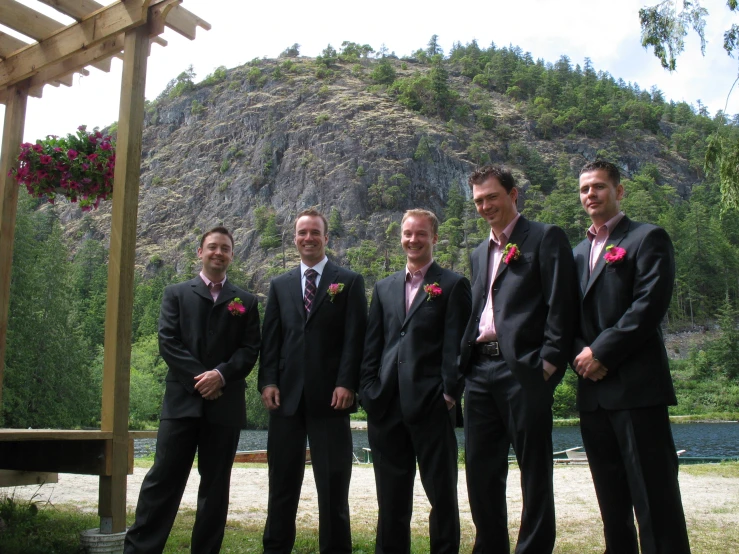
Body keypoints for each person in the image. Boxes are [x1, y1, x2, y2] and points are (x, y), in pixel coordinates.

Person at [573, 160, 691, 554]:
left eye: (600, 187)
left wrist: (601, 352)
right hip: (592, 394)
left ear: (619, 191)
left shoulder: (647, 238)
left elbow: (649, 306)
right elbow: (563, 315)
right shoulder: (575, 255)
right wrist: (581, 355)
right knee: (612, 505)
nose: (592, 194)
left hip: (638, 390)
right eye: (585, 189)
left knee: (655, 500)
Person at [459, 165, 577, 554]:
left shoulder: (545, 238)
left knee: (534, 472)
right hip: (479, 373)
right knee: (480, 472)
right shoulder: (478, 253)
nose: (485, 206)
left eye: (492, 197)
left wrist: (547, 365)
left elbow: (562, 306)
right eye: (478, 200)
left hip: (523, 371)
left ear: (513, 195)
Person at [124, 226, 261, 554]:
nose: (218, 253)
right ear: (199, 252)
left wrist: (222, 376)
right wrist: (204, 379)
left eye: (225, 248)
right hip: (181, 405)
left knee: (215, 488)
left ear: (231, 254)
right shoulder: (176, 293)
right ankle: (140, 549)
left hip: (225, 407)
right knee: (163, 481)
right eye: (212, 247)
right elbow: (168, 342)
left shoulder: (246, 301)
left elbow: (249, 349)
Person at [360, 209, 471, 554]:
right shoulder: (383, 287)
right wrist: (369, 391)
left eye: (421, 234)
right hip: (386, 407)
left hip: (432, 406)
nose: (413, 240)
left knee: (441, 495)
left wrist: (449, 395)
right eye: (408, 233)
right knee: (391, 499)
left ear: (434, 238)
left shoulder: (453, 285)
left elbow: (459, 346)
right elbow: (373, 345)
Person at [259, 208, 367, 554]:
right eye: (302, 232)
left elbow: (355, 339)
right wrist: (267, 382)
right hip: (285, 401)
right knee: (281, 487)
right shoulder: (280, 285)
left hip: (331, 400)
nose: (308, 238)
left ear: (326, 237)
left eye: (315, 232)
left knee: (334, 487)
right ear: (294, 238)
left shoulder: (348, 281)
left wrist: (347, 383)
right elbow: (271, 340)